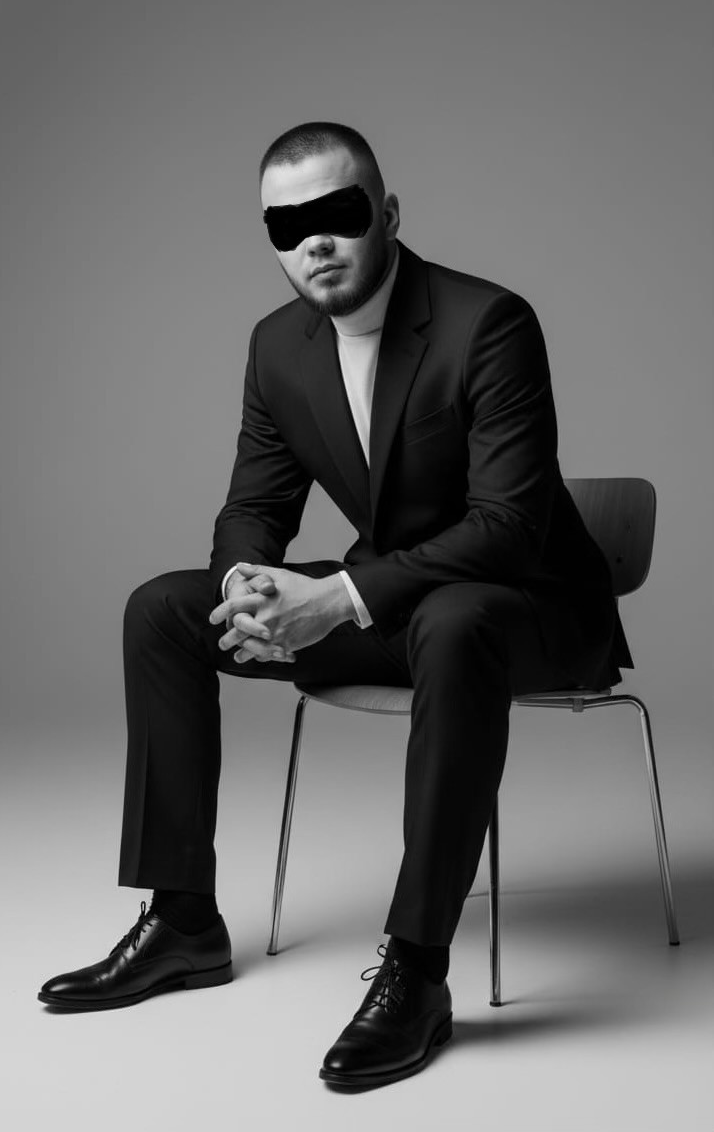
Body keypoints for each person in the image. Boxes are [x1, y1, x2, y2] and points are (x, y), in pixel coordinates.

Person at [38, 121, 632, 1088]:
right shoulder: (278, 345)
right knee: (161, 610)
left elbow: (508, 527)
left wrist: (342, 596)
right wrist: (247, 585)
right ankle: (183, 919)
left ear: (387, 213)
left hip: (531, 612)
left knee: (456, 618)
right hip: (400, 612)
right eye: (287, 225)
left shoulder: (488, 322)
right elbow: (254, 506)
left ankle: (418, 971)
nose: (314, 241)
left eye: (338, 213)